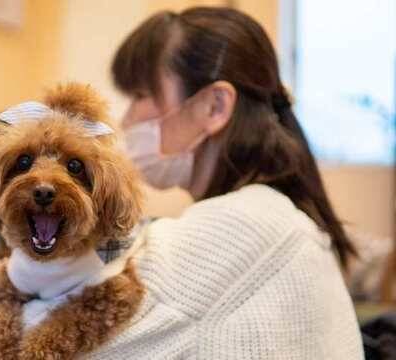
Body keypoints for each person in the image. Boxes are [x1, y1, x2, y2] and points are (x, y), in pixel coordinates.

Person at [85, 7, 364, 359]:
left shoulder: (240, 225)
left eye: (140, 94)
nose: (126, 119)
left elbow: (72, 345)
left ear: (215, 106)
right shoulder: (277, 214)